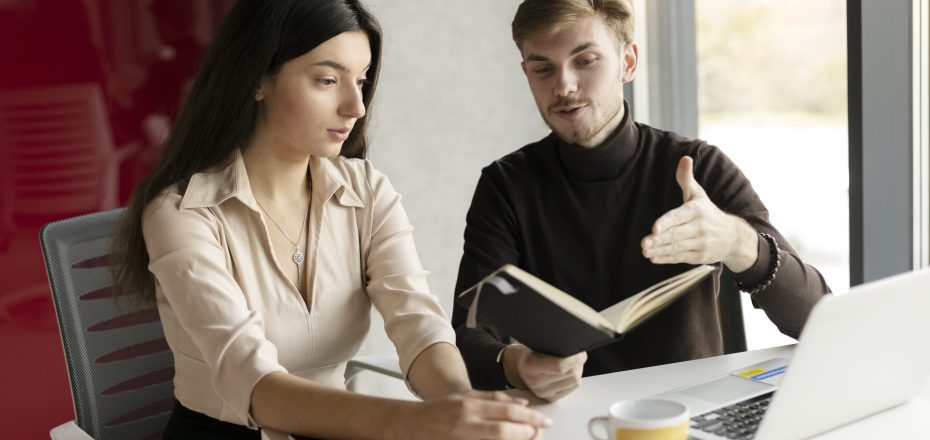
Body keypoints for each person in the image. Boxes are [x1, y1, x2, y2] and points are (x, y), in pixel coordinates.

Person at [110, 1, 550, 439]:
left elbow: (418, 323)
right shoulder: (181, 213)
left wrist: (460, 405)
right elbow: (253, 383)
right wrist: (420, 422)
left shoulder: (366, 190)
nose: (356, 106)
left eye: (361, 81)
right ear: (258, 79)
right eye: (327, 80)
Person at [452, 0, 831, 402]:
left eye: (585, 60)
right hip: (571, 419)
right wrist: (515, 363)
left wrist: (738, 244)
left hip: (695, 416)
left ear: (628, 62)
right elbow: (466, 335)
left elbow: (817, 318)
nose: (563, 86)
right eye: (543, 68)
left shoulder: (700, 166)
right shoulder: (506, 185)